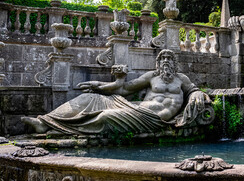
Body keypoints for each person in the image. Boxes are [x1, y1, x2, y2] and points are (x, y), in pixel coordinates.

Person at [22, 49, 211, 135]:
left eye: (170, 58)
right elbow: (125, 88)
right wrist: (98, 85)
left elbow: (195, 90)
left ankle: (60, 127)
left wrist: (195, 95)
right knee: (90, 97)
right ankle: (44, 122)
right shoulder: (151, 76)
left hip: (153, 118)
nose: (166, 61)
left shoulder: (181, 79)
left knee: (105, 117)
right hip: (133, 107)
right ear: (158, 63)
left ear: (175, 63)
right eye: (163, 58)